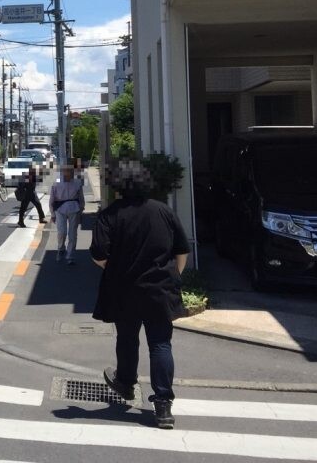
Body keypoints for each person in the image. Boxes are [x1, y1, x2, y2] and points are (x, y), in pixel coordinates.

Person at [90, 159, 190, 431]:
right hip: (160, 289)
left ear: (118, 185)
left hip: (124, 290)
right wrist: (173, 276)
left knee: (127, 337)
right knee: (160, 344)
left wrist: (118, 270)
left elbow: (99, 254)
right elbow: (182, 250)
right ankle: (163, 406)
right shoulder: (163, 212)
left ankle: (125, 382)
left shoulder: (110, 215)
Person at [49, 164, 85, 264]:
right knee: (62, 232)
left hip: (74, 209)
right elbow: (52, 199)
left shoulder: (77, 182)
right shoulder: (56, 183)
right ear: (62, 172)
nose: (69, 174)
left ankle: (70, 256)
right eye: (66, 172)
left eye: (70, 172)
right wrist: (52, 213)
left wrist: (81, 209)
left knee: (73, 234)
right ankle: (61, 248)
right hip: (60, 209)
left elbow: (81, 198)